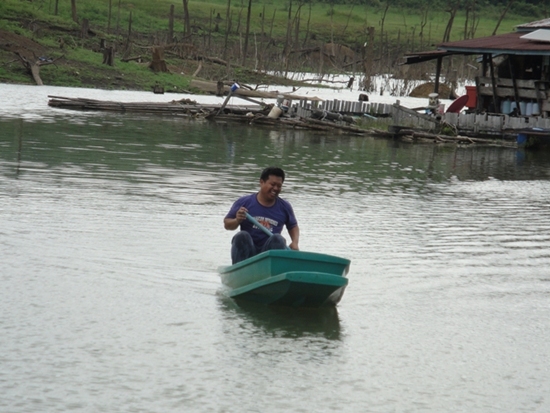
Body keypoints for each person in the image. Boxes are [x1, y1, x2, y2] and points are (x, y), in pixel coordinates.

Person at [224, 167, 300, 264]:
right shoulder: (244, 202)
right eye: (272, 184)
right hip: (247, 251)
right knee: (241, 236)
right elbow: (227, 224)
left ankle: (272, 272)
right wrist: (237, 220)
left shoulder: (285, 207)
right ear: (262, 182)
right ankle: (241, 270)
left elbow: (293, 226)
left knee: (278, 238)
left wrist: (295, 242)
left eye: (279, 186)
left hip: (268, 253)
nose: (275, 188)